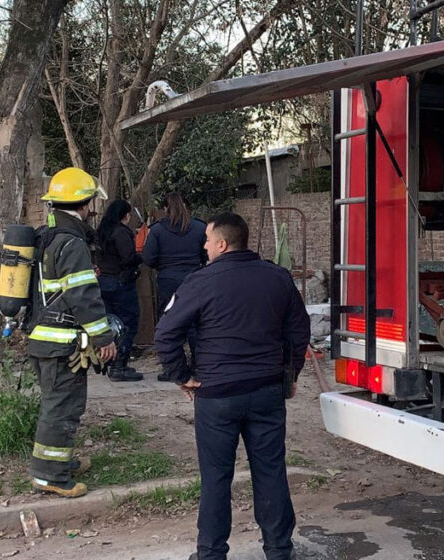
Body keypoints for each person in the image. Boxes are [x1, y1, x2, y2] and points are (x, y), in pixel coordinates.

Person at [154, 212, 311, 560]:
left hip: (217, 395)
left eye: (208, 241)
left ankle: (211, 554)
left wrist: (182, 375)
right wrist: (291, 374)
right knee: (271, 472)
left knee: (216, 477)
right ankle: (279, 551)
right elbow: (299, 330)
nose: (204, 247)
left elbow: (165, 333)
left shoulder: (200, 281)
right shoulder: (278, 277)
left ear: (222, 244)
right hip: (267, 390)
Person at [26, 167, 116, 498]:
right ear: (84, 203)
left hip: (43, 339)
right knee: (62, 407)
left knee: (56, 404)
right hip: (61, 344)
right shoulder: (72, 242)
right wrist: (104, 338)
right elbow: (83, 296)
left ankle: (58, 462)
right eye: (90, 202)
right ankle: (49, 475)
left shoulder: (46, 236)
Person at [141, 192, 206, 381]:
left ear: (165, 208)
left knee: (170, 324)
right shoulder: (199, 227)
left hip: (167, 280)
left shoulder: (157, 230)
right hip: (194, 278)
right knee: (195, 323)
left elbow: (148, 257)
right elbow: (207, 254)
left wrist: (162, 267)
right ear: (186, 206)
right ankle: (199, 366)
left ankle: (172, 368)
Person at [95, 199, 144, 382]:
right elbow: (128, 258)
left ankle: (109, 361)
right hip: (120, 282)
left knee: (110, 323)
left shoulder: (102, 232)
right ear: (125, 215)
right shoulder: (121, 232)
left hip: (103, 282)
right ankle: (119, 365)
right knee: (127, 322)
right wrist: (141, 256)